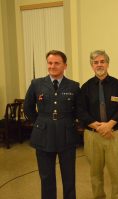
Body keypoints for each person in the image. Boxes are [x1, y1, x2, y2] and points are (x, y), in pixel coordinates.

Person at [24, 50, 81, 199]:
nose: (52, 66)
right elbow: (28, 107)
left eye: (57, 63)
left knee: (69, 176)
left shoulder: (74, 86)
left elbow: (78, 109)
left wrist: (70, 121)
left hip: (67, 135)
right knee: (46, 176)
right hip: (43, 135)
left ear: (65, 65)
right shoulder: (36, 84)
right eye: (50, 63)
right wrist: (40, 123)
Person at [79, 50, 118, 199]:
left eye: (102, 61)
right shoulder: (85, 87)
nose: (99, 65)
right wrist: (99, 127)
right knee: (95, 174)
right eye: (96, 62)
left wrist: (109, 125)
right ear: (92, 65)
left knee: (117, 173)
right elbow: (81, 111)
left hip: (114, 135)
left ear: (107, 64)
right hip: (92, 136)